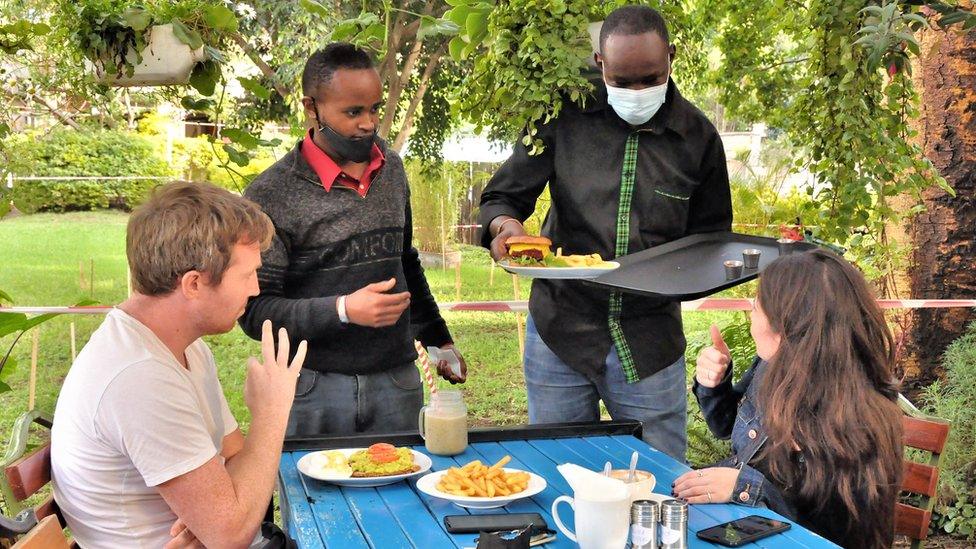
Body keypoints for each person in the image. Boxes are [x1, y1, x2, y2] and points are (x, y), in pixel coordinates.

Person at [478, 5, 732, 460]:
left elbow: (713, 240)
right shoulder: (562, 116)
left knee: (658, 484)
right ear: (600, 64)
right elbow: (502, 199)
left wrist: (684, 274)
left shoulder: (698, 139)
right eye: (622, 81)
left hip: (649, 341)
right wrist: (506, 230)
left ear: (671, 58)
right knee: (556, 470)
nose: (638, 91)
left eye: (650, 78)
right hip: (560, 331)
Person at [51, 182, 306, 548]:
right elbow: (232, 533)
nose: (254, 289)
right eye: (246, 275)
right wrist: (272, 410)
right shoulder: (138, 376)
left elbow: (235, 458)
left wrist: (217, 515)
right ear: (194, 284)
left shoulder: (183, 347)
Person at [241, 43, 465, 438]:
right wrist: (342, 309)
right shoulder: (270, 194)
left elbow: (405, 262)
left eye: (374, 109)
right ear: (312, 108)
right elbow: (254, 311)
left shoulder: (392, 170)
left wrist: (438, 338)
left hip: (398, 384)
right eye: (353, 112)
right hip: (310, 388)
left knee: (406, 497)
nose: (369, 123)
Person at [673, 249, 904, 548]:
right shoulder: (772, 367)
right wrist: (714, 385)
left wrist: (748, 487)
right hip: (751, 528)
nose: (750, 314)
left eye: (756, 306)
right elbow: (727, 426)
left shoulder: (857, 421)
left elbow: (831, 536)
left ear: (785, 327)